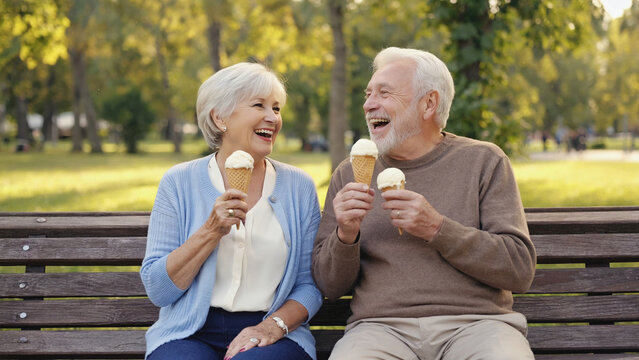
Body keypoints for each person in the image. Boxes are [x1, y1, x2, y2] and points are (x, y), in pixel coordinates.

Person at [312, 47, 537, 359]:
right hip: (380, 329)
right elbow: (328, 285)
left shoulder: (484, 161)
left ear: (428, 103)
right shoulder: (350, 173)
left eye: (384, 93)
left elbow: (519, 269)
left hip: (477, 326)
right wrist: (345, 235)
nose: (368, 104)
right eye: (368, 93)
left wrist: (438, 228)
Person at [141, 62, 323, 360]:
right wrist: (211, 231)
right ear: (219, 117)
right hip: (190, 332)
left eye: (276, 108)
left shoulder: (298, 186)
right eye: (259, 105)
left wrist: (272, 326)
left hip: (274, 332)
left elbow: (309, 286)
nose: (272, 118)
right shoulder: (178, 182)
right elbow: (159, 291)